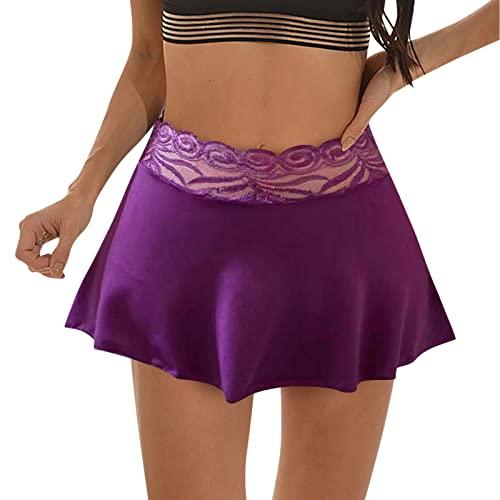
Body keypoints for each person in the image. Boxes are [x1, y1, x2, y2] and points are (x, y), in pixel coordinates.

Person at [15, 1, 499, 499]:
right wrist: (81, 193)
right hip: (185, 237)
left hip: (339, 235)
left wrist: (405, 65)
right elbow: (148, 58)